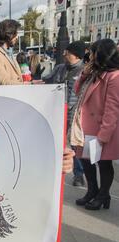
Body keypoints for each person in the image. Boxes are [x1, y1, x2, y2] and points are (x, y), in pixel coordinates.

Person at [71, 39, 119, 211]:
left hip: (101, 128)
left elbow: (112, 108)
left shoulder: (114, 76)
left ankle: (103, 195)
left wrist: (104, 135)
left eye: (92, 52)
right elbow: (77, 90)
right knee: (85, 160)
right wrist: (84, 73)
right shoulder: (93, 72)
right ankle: (92, 190)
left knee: (104, 164)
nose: (89, 55)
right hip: (86, 126)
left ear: (101, 54)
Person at [43, 40, 86, 187]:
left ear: (76, 55)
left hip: (74, 115)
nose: (64, 54)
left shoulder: (84, 71)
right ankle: (54, 171)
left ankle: (79, 175)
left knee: (74, 146)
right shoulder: (60, 68)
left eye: (67, 52)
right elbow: (46, 80)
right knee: (54, 141)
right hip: (56, 112)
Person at [0, 20, 27, 85]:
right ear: (8, 34)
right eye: (15, 34)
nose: (17, 37)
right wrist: (29, 84)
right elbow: (5, 82)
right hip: (4, 94)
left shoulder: (8, 53)